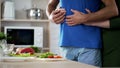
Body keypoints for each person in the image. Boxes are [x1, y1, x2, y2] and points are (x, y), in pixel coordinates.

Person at [46, 0, 118, 67]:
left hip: (90, 46)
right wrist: (50, 16)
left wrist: (85, 18)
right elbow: (51, 4)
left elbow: (112, 9)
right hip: (66, 44)